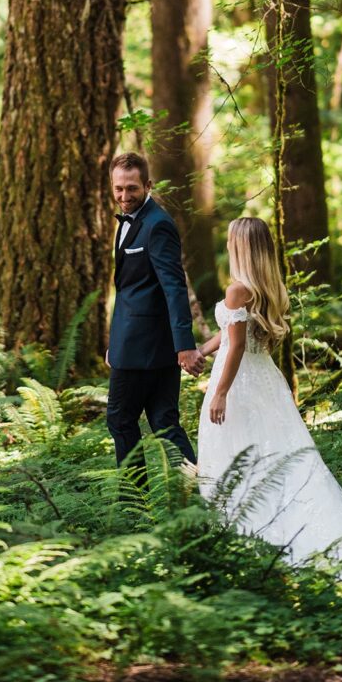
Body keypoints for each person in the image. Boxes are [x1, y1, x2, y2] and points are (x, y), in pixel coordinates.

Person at [197, 216, 342, 606]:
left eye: (233, 241)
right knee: (279, 463)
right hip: (266, 385)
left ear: (241, 247)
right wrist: (201, 351)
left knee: (241, 463)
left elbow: (236, 347)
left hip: (243, 388)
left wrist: (219, 393)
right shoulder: (266, 288)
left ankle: (250, 547)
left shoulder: (237, 289)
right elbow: (231, 334)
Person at [106, 152, 205, 490]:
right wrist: (113, 343)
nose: (124, 196)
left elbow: (174, 287)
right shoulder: (129, 221)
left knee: (120, 420)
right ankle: (200, 493)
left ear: (147, 185)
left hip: (145, 347)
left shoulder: (157, 224)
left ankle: (135, 502)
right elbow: (129, 292)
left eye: (131, 188)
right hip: (134, 342)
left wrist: (185, 346)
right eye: (118, 189)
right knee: (164, 421)